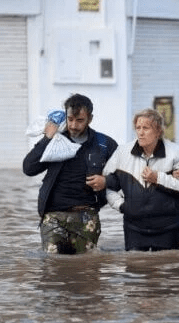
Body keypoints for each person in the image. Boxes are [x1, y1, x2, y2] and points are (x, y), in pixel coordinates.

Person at [23, 94, 118, 254]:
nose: (73, 125)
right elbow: (29, 168)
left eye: (79, 120)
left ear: (90, 119)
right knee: (53, 266)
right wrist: (47, 138)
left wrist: (107, 181)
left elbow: (124, 177)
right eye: (70, 119)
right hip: (53, 216)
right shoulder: (55, 142)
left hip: (87, 215)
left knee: (86, 269)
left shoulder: (104, 144)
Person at [102, 109, 179, 251]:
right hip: (134, 228)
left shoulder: (176, 152)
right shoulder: (122, 152)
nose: (140, 132)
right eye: (138, 128)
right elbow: (106, 184)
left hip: (169, 228)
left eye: (145, 128)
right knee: (135, 269)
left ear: (158, 131)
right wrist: (122, 206)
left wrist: (158, 178)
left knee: (168, 271)